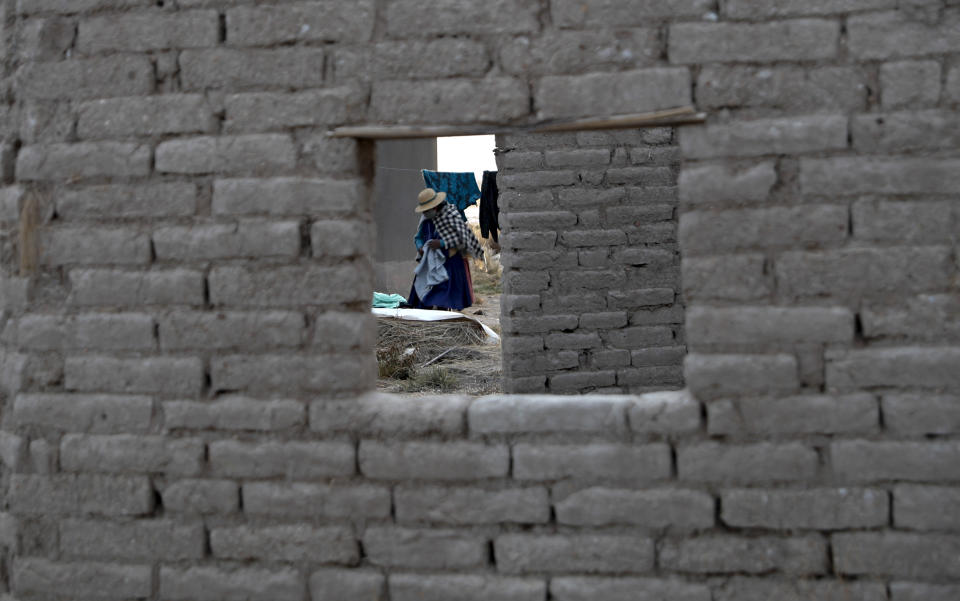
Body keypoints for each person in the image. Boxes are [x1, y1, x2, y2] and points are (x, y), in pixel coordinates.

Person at [407, 188, 485, 311]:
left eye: (427, 209)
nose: (425, 213)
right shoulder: (426, 218)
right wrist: (420, 247)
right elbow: (418, 237)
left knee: (444, 299)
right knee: (424, 296)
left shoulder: (451, 216)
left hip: (450, 263)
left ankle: (443, 317)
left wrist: (442, 243)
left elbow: (463, 239)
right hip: (430, 263)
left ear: (435, 207)